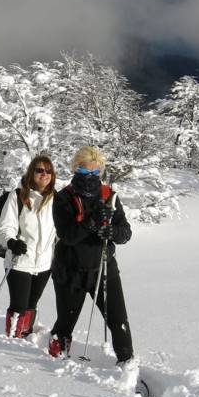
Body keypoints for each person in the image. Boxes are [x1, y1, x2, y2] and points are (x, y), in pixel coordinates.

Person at [48, 146, 134, 363]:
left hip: (104, 268)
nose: (91, 177)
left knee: (118, 320)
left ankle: (127, 362)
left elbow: (126, 233)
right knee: (66, 322)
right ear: (76, 170)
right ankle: (57, 356)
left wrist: (112, 231)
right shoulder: (64, 198)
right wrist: (92, 221)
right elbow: (67, 235)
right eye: (86, 172)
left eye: (95, 173)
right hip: (70, 270)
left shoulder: (109, 197)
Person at [0, 155, 57, 338]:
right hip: (20, 261)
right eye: (39, 170)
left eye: (48, 171)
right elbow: (5, 227)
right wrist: (11, 242)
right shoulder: (18, 196)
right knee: (19, 305)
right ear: (32, 173)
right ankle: (13, 338)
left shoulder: (57, 200)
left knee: (32, 304)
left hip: (44, 264)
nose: (44, 174)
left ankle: (25, 334)